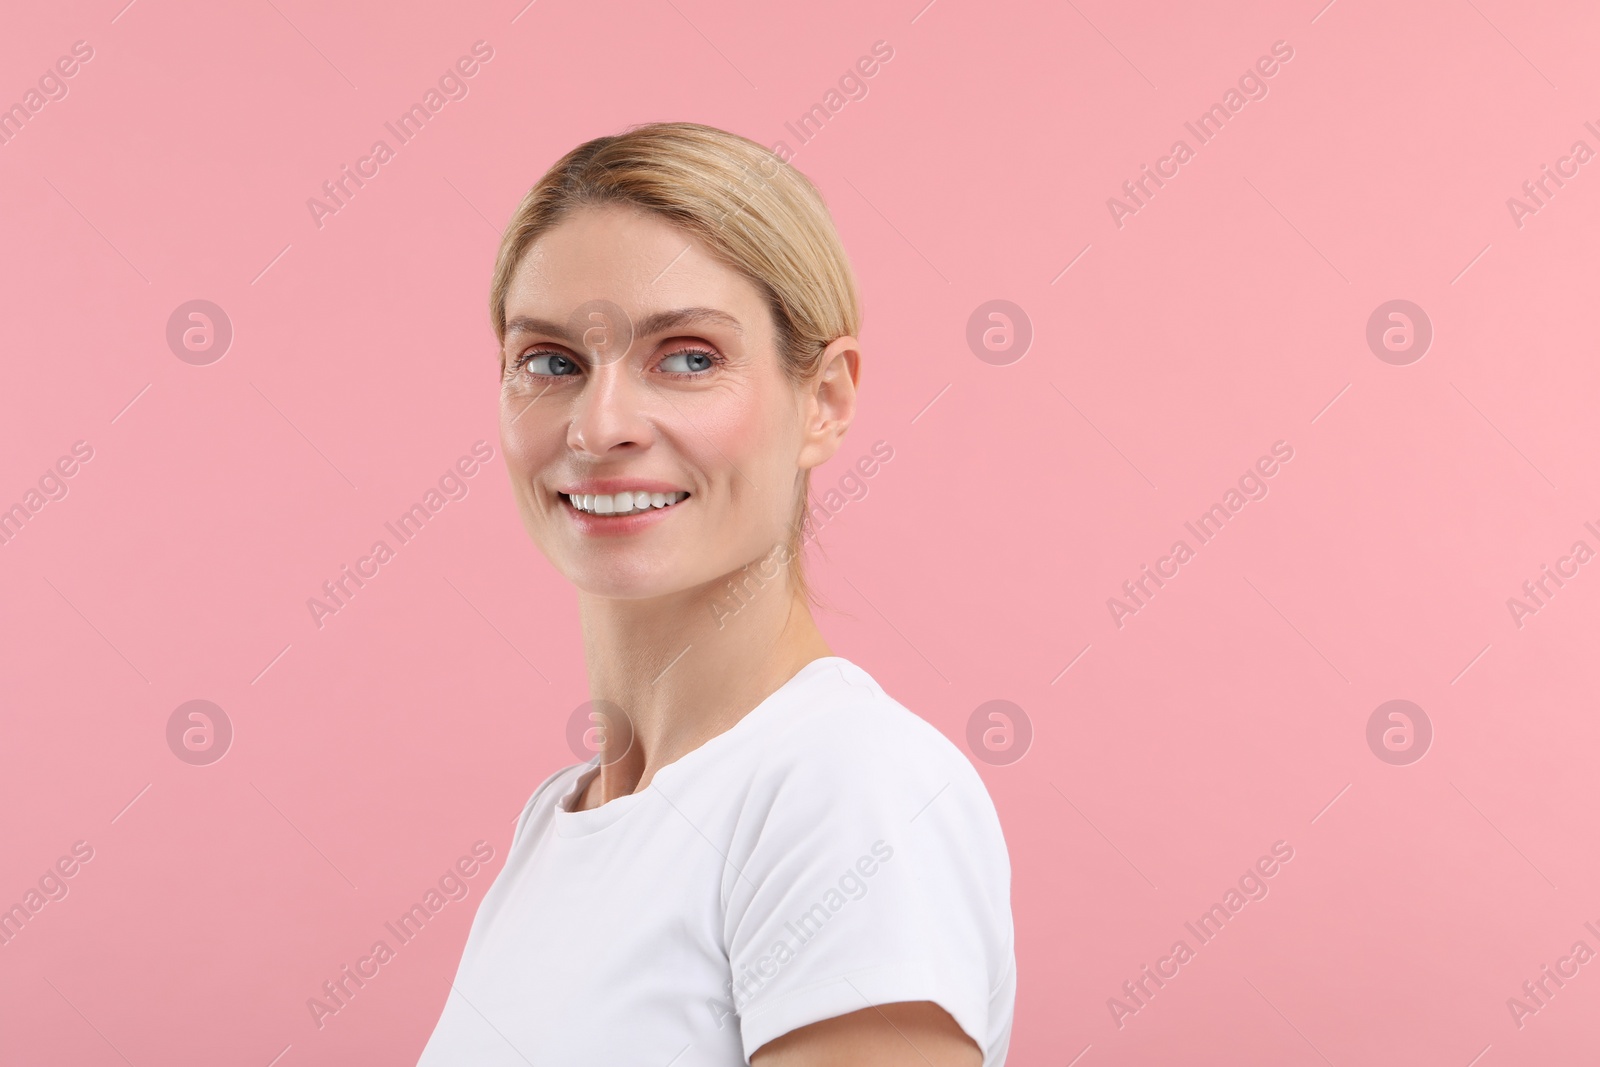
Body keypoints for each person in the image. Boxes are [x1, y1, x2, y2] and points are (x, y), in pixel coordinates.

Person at [416, 121, 1015, 1067]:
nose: (600, 423)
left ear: (825, 399)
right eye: (551, 361)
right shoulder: (561, 822)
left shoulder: (848, 789)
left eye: (688, 357)